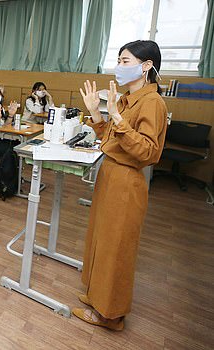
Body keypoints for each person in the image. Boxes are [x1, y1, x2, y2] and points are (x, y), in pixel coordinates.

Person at [74, 40, 168, 331]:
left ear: (147, 66)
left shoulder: (152, 103)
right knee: (102, 240)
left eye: (125, 61)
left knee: (116, 248)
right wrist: (99, 115)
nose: (119, 66)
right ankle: (97, 296)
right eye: (119, 60)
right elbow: (111, 141)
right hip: (111, 175)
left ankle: (111, 315)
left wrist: (114, 116)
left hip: (127, 181)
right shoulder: (128, 99)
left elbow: (149, 152)